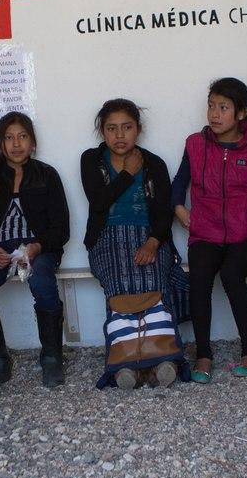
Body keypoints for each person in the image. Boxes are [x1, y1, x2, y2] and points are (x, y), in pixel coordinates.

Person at [80, 99, 189, 390]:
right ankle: (124, 363)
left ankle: (163, 359)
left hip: (150, 237)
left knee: (153, 281)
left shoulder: (154, 164)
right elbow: (99, 202)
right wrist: (128, 173)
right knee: (120, 283)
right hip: (106, 238)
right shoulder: (91, 160)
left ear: (138, 129)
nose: (119, 135)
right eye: (111, 128)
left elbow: (164, 212)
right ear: (102, 131)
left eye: (127, 127)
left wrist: (153, 243)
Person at [171, 77, 247, 382]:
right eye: (211, 105)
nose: (214, 114)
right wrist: (179, 208)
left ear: (241, 113)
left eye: (223, 107)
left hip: (246, 236)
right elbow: (180, 182)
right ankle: (203, 355)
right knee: (199, 278)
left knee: (231, 275)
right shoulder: (195, 144)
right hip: (206, 233)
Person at [0, 112, 70, 389]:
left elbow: (61, 228)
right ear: (1, 144)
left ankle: (52, 358)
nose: (16, 144)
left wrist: (38, 246)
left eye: (22, 136)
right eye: (9, 138)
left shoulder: (47, 175)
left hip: (38, 248)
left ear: (32, 142)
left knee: (41, 279)